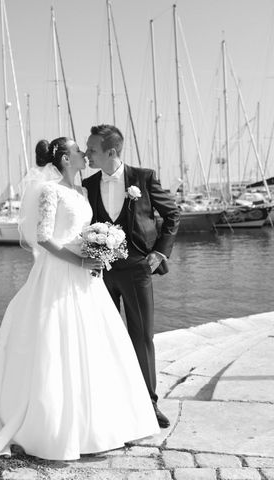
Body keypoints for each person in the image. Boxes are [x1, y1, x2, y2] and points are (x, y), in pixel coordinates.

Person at [0, 137, 159, 460]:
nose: (83, 154)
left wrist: (102, 245)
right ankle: (56, 429)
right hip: (59, 275)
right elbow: (44, 237)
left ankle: (102, 424)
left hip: (87, 279)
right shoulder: (51, 191)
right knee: (55, 348)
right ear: (64, 159)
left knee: (94, 346)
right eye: (77, 150)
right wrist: (81, 260)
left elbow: (81, 230)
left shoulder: (84, 191)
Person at [83, 124, 181, 428]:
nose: (86, 155)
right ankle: (113, 401)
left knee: (142, 337)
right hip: (101, 272)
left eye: (92, 150)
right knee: (106, 339)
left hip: (138, 269)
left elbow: (173, 214)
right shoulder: (87, 184)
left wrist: (160, 252)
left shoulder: (143, 178)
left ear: (111, 152)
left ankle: (149, 404)